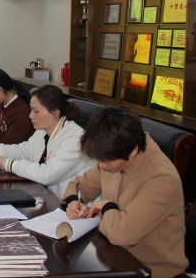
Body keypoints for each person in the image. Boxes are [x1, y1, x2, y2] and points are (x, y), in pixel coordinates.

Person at [63, 107, 188, 278]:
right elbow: (78, 185)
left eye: (106, 161)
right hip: (111, 256)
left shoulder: (162, 178)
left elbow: (122, 235)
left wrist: (107, 207)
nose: (101, 166)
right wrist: (73, 202)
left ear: (133, 151)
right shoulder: (114, 154)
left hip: (150, 270)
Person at [0, 85, 92, 199]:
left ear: (55, 113)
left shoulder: (75, 139)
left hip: (72, 207)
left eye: (36, 111)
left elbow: (47, 174)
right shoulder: (43, 130)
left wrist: (6, 163)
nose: (30, 116)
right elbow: (24, 151)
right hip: (45, 196)